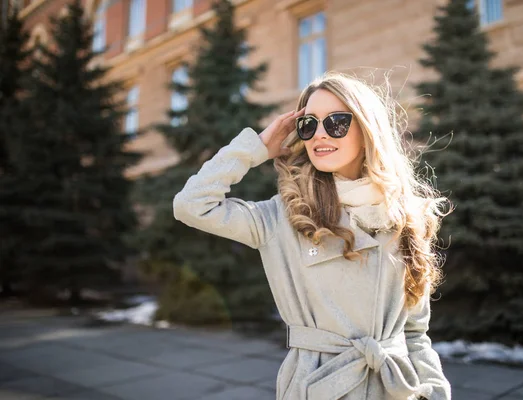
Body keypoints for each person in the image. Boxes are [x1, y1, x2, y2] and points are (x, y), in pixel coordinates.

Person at [173, 72, 452, 400]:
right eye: (308, 124)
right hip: (317, 387)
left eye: (335, 122)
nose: (320, 134)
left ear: (367, 128)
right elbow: (191, 205)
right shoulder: (282, 216)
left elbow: (415, 333)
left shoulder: (407, 217)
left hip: (396, 390)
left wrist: (433, 392)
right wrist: (258, 147)